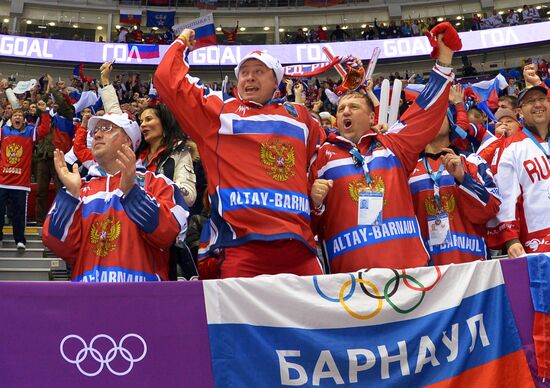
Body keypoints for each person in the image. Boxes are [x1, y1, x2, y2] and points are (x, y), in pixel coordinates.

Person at [154, 28, 325, 278]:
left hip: (299, 248)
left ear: (275, 81)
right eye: (244, 73)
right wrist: (181, 43)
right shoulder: (220, 112)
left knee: (314, 317)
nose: (249, 78)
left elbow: (324, 152)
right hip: (241, 249)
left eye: (258, 72)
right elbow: (167, 79)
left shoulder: (300, 117)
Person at [309, 24, 459, 273]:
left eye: (354, 106)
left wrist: (445, 59)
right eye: (341, 108)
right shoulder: (322, 156)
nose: (345, 110)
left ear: (371, 118)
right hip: (350, 283)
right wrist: (316, 202)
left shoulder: (393, 143)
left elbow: (425, 110)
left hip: (409, 273)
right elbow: (311, 223)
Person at [42, 112, 188, 282]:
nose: (96, 134)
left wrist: (131, 192)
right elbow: (57, 244)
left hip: (140, 300)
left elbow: (168, 234)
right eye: (94, 131)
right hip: (88, 301)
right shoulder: (79, 187)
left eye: (106, 128)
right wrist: (71, 197)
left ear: (127, 140)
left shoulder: (158, 184)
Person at [408, 86, 500, 265]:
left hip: (472, 267)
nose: (431, 119)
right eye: (425, 115)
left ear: (450, 121)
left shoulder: (472, 161)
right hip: (426, 273)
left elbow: (491, 209)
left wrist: (463, 178)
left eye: (437, 113)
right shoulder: (407, 170)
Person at [488, 64, 550, 258]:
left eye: (542, 99)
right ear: (520, 112)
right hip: (538, 239)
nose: (538, 104)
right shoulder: (511, 147)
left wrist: (539, 83)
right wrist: (511, 239)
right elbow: (507, 196)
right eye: (530, 102)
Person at [0, 109, 47, 249]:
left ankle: (19, 240)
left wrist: (43, 112)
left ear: (24, 119)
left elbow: (44, 130)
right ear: (11, 118)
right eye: (15, 115)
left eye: (20, 115)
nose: (18, 117)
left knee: (19, 213)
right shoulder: (3, 131)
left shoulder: (29, 132)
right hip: (2, 181)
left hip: (20, 183)